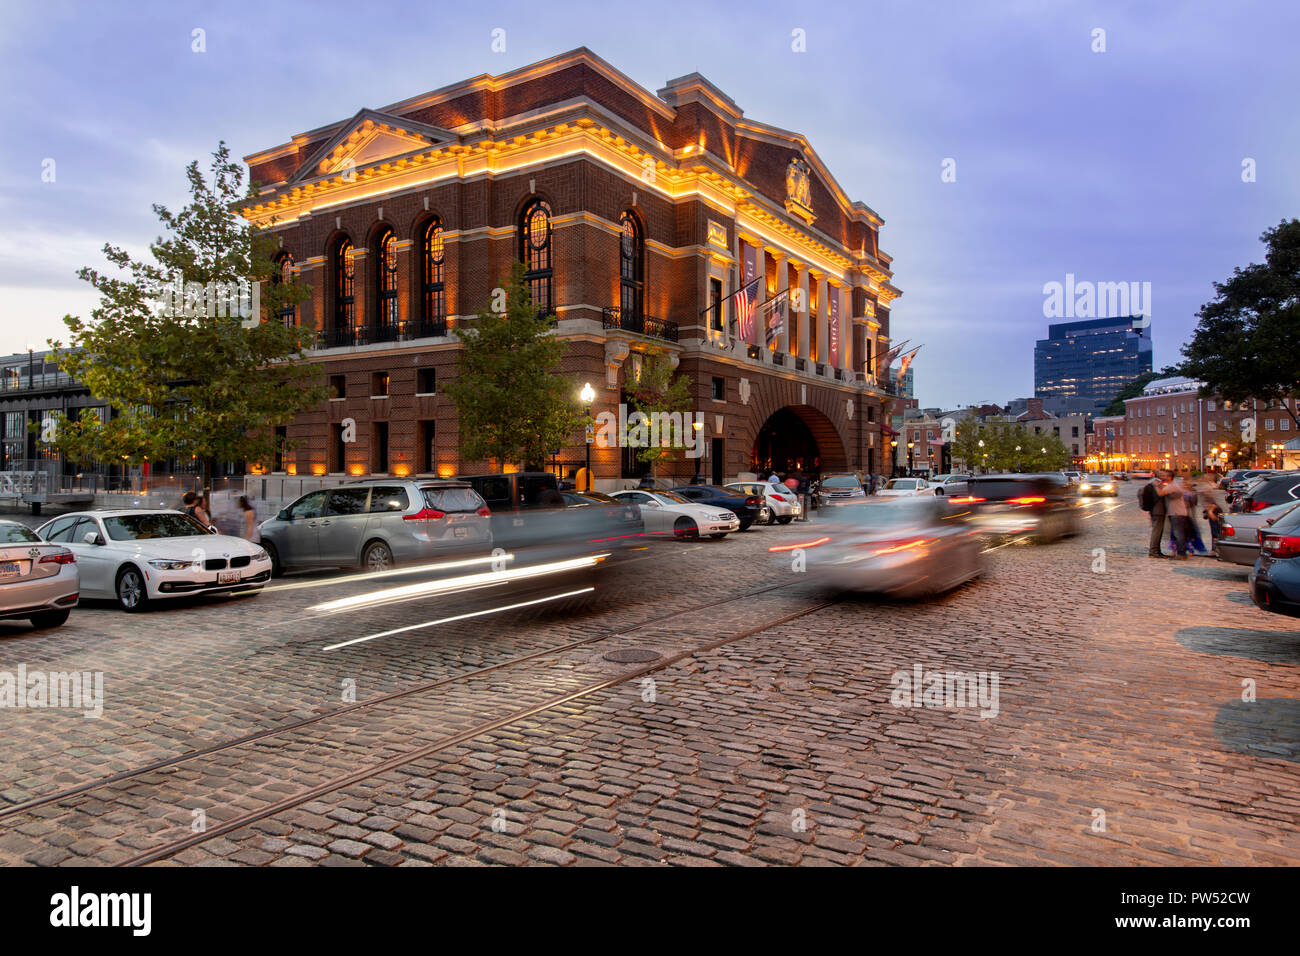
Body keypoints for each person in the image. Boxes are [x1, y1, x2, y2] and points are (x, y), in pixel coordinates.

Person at [1158, 471, 1191, 559]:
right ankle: (1181, 552)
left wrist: (1155, 485)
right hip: (1179, 512)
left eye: (1165, 476)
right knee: (1179, 533)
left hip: (1176, 513)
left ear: (1170, 477)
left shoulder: (1171, 486)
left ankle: (1181, 553)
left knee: (1178, 534)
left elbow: (1160, 493)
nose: (1163, 477)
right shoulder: (1174, 485)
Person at [1140, 472, 1168, 558]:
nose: (1165, 477)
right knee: (1157, 531)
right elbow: (1160, 495)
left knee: (1158, 531)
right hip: (1158, 511)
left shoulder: (1153, 483)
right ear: (1158, 476)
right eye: (1163, 475)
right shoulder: (1156, 484)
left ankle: (1157, 550)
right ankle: (1153, 551)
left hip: (1155, 510)